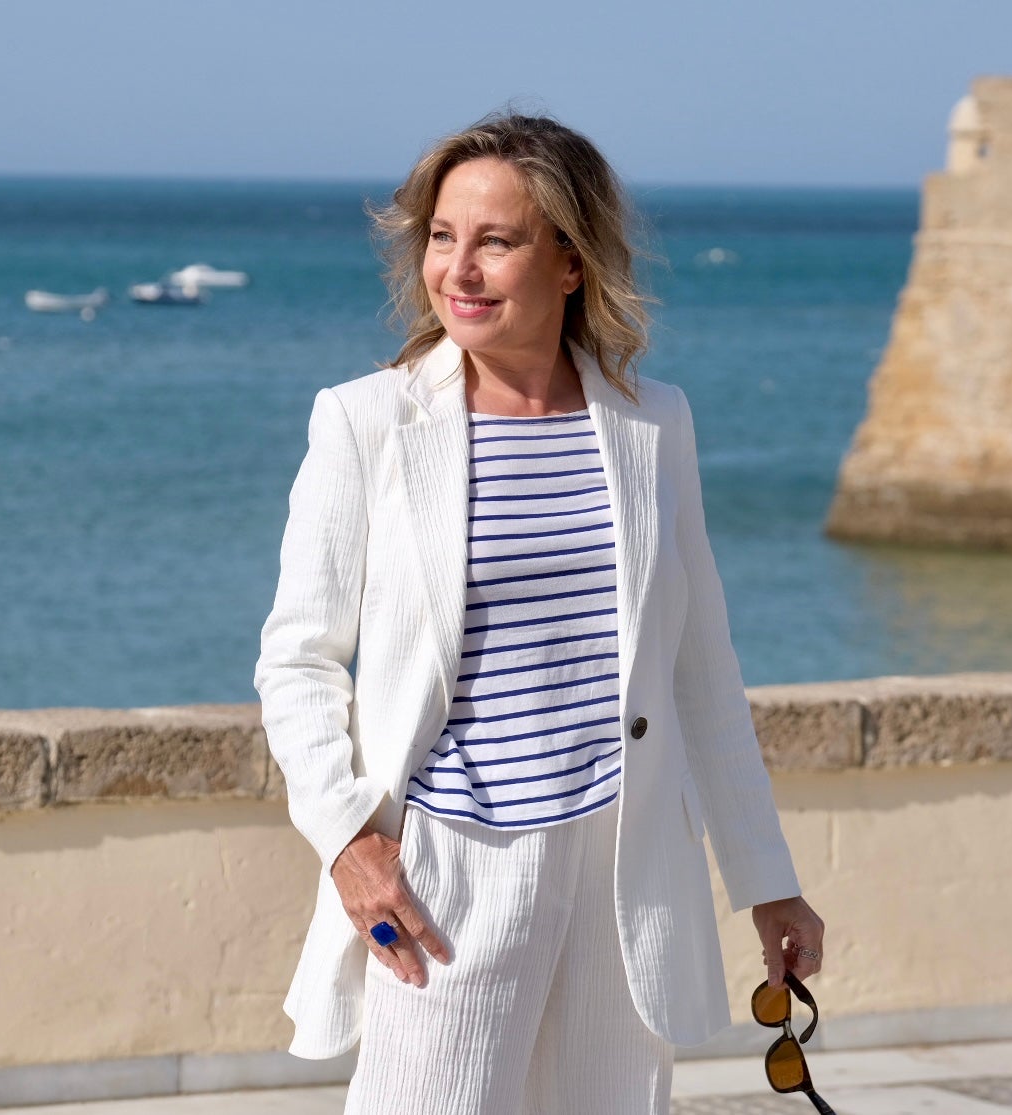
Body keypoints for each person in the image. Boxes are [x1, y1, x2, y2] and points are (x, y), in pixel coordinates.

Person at [253, 110, 826, 1115]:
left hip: (622, 864)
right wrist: (348, 840)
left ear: (569, 261)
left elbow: (699, 667)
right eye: (441, 236)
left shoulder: (653, 424)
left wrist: (763, 876)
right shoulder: (367, 422)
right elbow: (297, 661)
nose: (457, 269)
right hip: (448, 870)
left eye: (495, 240)